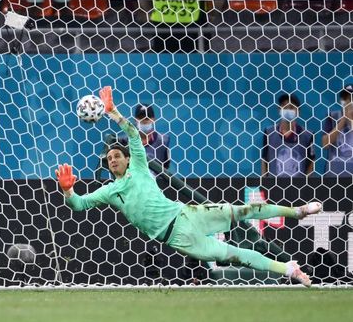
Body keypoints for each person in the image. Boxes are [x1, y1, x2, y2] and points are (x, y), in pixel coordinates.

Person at [55, 86, 320, 287]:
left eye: (116, 156)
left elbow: (134, 135)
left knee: (245, 210)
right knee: (236, 254)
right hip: (178, 238)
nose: (112, 161)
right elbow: (79, 205)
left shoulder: (139, 167)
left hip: (187, 213)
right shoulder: (109, 191)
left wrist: (113, 113)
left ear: (127, 158)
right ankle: (289, 270)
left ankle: (295, 211)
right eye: (109, 159)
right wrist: (68, 190)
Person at [261, 93, 315, 177]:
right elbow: (264, 160)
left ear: (298, 111)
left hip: (298, 187)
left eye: (291, 107)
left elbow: (311, 162)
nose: (287, 110)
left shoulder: (307, 135)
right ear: (279, 110)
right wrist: (264, 183)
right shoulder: (269, 132)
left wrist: (307, 186)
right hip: (273, 187)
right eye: (284, 107)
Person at [117, 103, 170, 171]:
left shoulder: (163, 141)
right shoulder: (124, 141)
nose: (144, 121)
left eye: (147, 118)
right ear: (135, 120)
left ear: (153, 119)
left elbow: (166, 166)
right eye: (141, 118)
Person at [322, 84, 353, 176]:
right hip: (334, 176)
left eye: (351, 99)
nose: (348, 102)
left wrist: (350, 119)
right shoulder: (332, 116)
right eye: (345, 99)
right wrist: (343, 119)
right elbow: (325, 144)